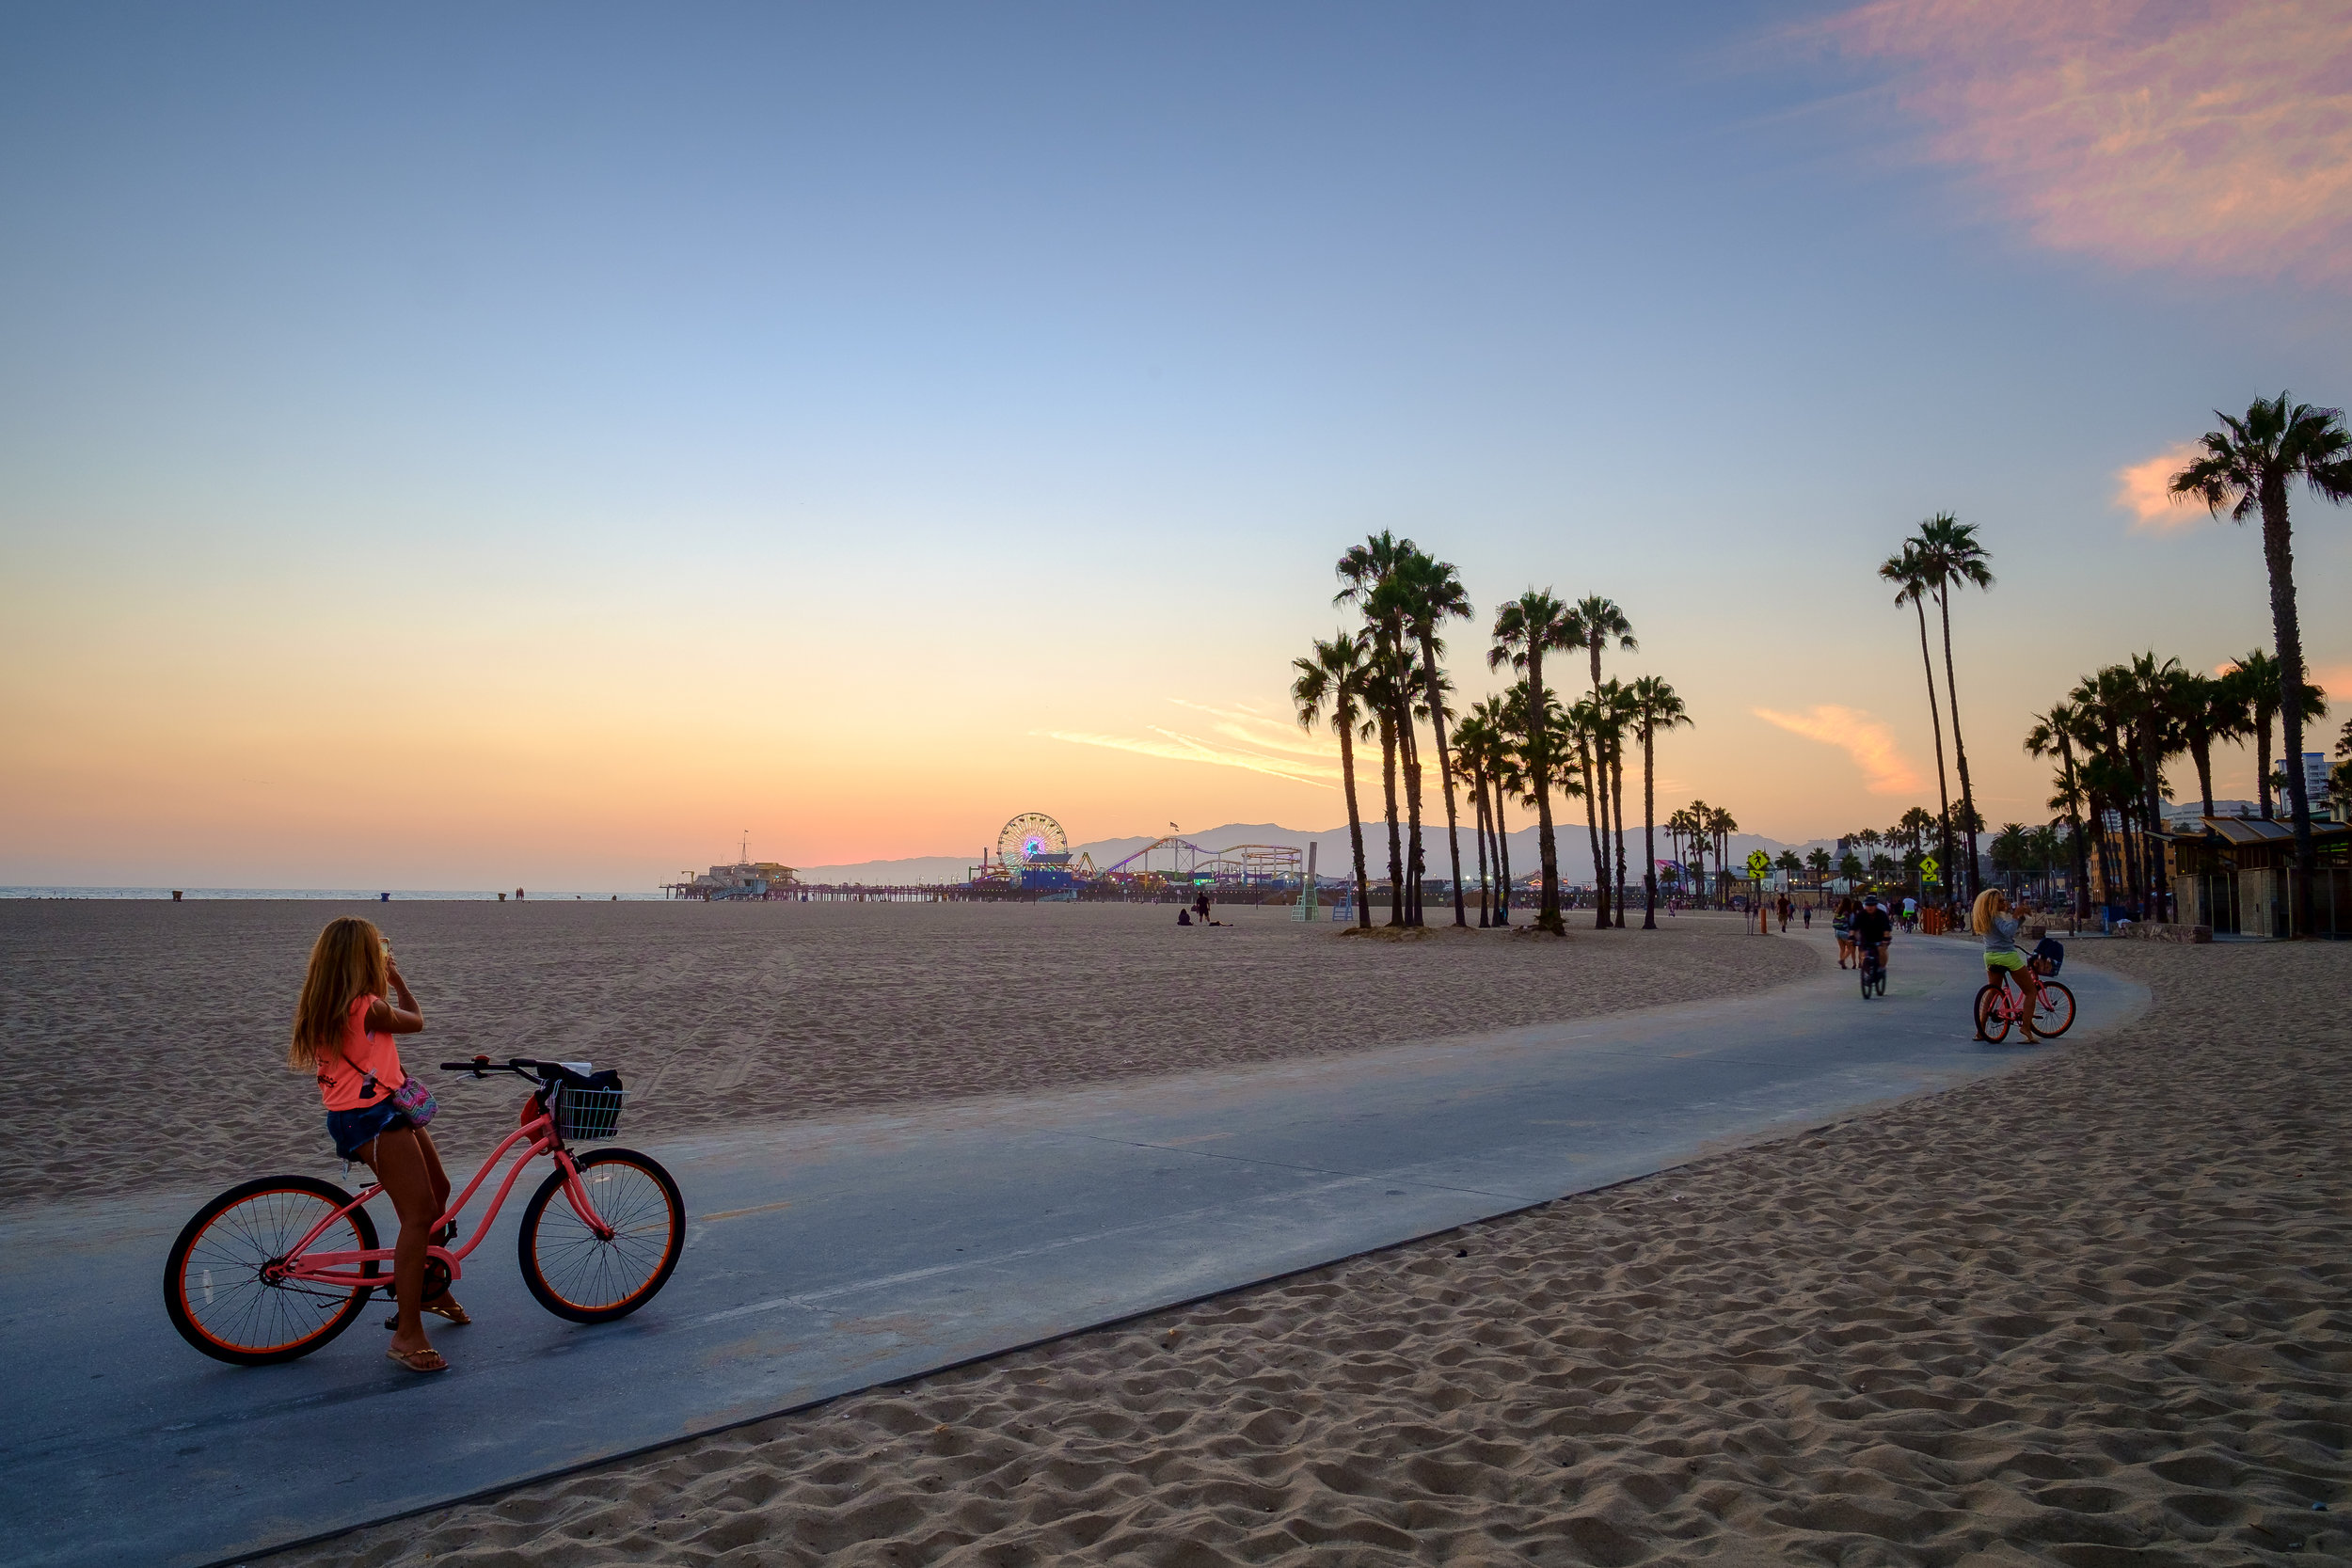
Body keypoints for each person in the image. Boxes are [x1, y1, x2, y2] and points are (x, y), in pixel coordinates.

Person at [289, 916, 463, 1373]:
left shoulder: (325, 1002)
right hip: (371, 1117)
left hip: (374, 1108)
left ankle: (430, 1288)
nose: (385, 954)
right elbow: (418, 1021)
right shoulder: (369, 1005)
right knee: (419, 1213)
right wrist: (398, 980)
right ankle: (407, 1335)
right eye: (380, 950)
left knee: (439, 1192)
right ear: (366, 958)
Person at [1971, 888, 2042, 1043]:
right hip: (2007, 956)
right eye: (2001, 901)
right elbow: (2008, 931)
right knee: (2030, 991)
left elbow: (2005, 931)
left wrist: (2020, 918)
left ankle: (1980, 1030)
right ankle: (2026, 1027)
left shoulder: (1984, 917)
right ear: (1992, 904)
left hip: (1990, 956)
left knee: (1993, 992)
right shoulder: (1996, 917)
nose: (2005, 902)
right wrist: (2016, 916)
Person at [1852, 895, 1894, 979]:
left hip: (1879, 937)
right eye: (1868, 905)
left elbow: (1886, 928)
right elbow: (1854, 927)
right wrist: (1851, 937)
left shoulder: (1881, 914)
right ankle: (1867, 972)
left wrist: (1886, 939)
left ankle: (1882, 968)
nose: (1870, 907)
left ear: (1876, 905)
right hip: (1865, 937)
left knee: (1881, 950)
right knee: (1863, 954)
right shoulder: (1861, 914)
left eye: (1872, 905)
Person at [1832, 895, 1856, 967]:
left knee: (1842, 949)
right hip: (1845, 932)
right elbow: (1852, 923)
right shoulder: (1849, 912)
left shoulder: (1838, 911)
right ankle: (1842, 960)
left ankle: (1843, 964)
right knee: (1850, 948)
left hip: (1837, 932)